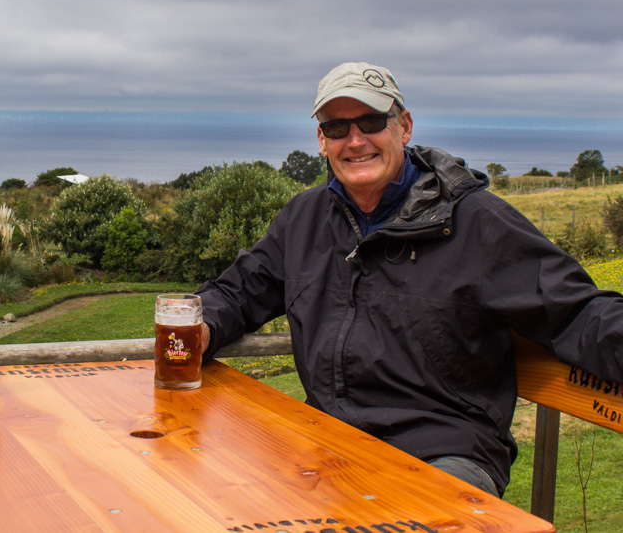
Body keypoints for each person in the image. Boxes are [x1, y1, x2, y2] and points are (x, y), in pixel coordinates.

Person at [196, 62, 623, 497]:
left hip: (445, 456)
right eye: (338, 127)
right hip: (330, 443)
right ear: (322, 142)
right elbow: (239, 291)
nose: (356, 140)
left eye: (371, 121)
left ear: (404, 127)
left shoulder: (477, 223)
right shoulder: (302, 219)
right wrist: (199, 326)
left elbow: (577, 311)